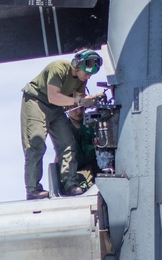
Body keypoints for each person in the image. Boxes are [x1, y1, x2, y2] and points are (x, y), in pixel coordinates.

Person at [20, 50, 103, 200]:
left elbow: (79, 97)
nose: (88, 77)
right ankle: (33, 189)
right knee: (36, 144)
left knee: (68, 143)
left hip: (55, 108)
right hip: (36, 101)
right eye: (87, 73)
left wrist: (92, 98)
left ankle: (70, 184)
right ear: (76, 64)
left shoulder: (81, 79)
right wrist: (79, 101)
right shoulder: (58, 68)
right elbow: (54, 96)